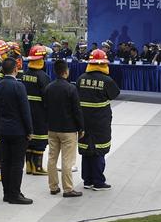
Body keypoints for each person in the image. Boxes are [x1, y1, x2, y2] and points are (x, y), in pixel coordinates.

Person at [76, 49, 120, 191]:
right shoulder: (107, 80)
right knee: (99, 150)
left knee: (86, 149)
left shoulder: (81, 78)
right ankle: (98, 181)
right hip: (100, 121)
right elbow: (114, 94)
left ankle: (87, 180)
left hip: (83, 120)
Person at [0, 57, 33, 205]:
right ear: (16, 69)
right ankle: (15, 193)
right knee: (16, 163)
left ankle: (7, 193)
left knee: (6, 162)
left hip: (3, 129)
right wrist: (29, 130)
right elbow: (25, 110)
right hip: (18, 130)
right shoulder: (19, 86)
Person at [42, 59, 84, 197]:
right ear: (66, 71)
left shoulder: (48, 87)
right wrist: (81, 128)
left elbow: (45, 107)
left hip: (52, 128)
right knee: (67, 160)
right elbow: (77, 110)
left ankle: (53, 187)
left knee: (52, 158)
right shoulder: (71, 88)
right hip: (68, 129)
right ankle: (68, 189)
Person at [20, 45, 51, 176]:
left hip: (26, 111)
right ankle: (37, 167)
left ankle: (29, 166)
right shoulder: (43, 76)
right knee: (40, 139)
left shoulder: (24, 75)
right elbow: (47, 97)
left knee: (29, 138)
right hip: (40, 113)